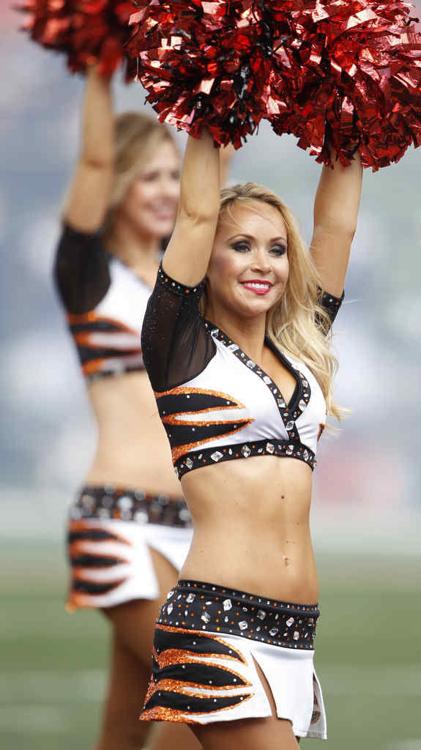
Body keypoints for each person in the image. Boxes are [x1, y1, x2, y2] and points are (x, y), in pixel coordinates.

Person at [139, 129, 363, 748]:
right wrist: (213, 105)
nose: (263, 264)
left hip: (294, 635)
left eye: (276, 249)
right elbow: (195, 209)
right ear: (206, 257)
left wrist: (356, 112)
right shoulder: (180, 348)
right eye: (240, 246)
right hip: (220, 623)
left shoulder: (301, 349)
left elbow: (338, 227)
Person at [53, 65, 201, 750]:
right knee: (206, 694)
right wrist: (97, 71)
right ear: (117, 186)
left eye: (174, 175)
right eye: (149, 176)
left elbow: (208, 207)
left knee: (125, 729)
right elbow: (91, 156)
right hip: (117, 522)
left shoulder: (188, 287)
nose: (167, 191)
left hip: (192, 529)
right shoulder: (89, 275)